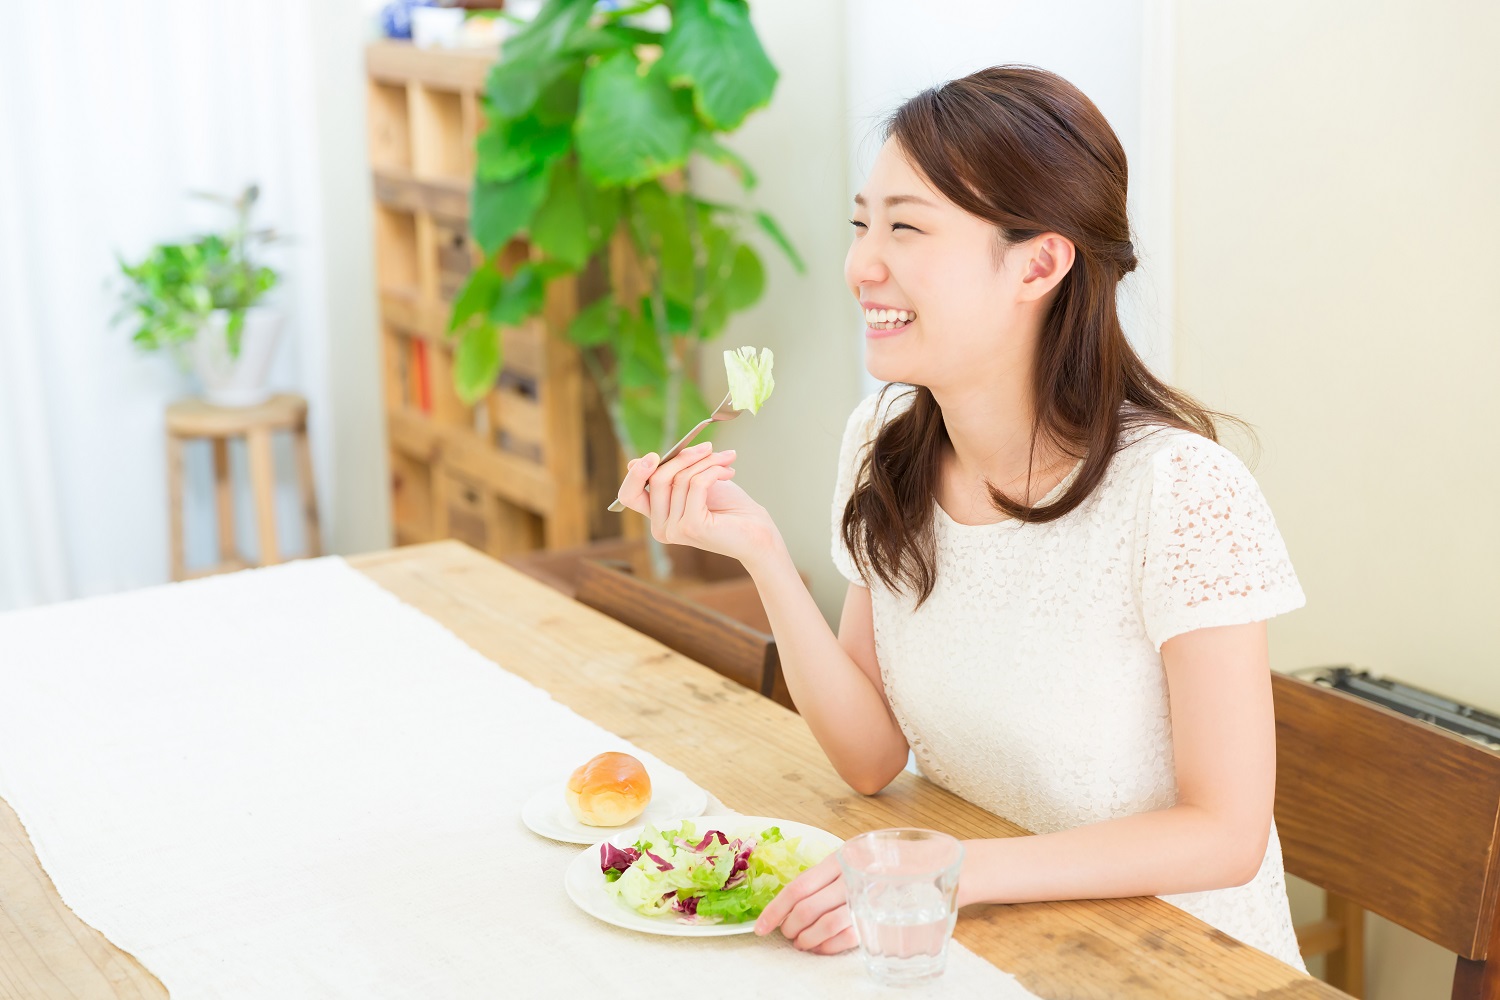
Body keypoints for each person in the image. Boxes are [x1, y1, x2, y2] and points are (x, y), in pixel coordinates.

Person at [612, 64, 1307, 970]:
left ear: (1039, 263)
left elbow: (1225, 834)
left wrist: (949, 872)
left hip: (1179, 961)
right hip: (989, 936)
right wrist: (762, 554)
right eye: (862, 224)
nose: (863, 265)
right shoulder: (884, 442)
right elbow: (869, 757)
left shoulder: (1179, 488)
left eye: (906, 227)